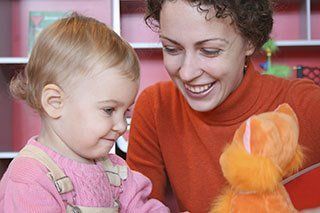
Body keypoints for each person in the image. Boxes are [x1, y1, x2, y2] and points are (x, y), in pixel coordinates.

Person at [126, 0, 320, 212]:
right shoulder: (156, 106)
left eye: (209, 51)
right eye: (171, 48)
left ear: (249, 42)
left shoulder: (305, 104)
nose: (186, 73)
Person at [0, 13, 170, 212]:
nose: (122, 126)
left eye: (125, 112)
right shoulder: (30, 178)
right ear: (55, 103)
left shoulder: (116, 172)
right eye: (109, 110)